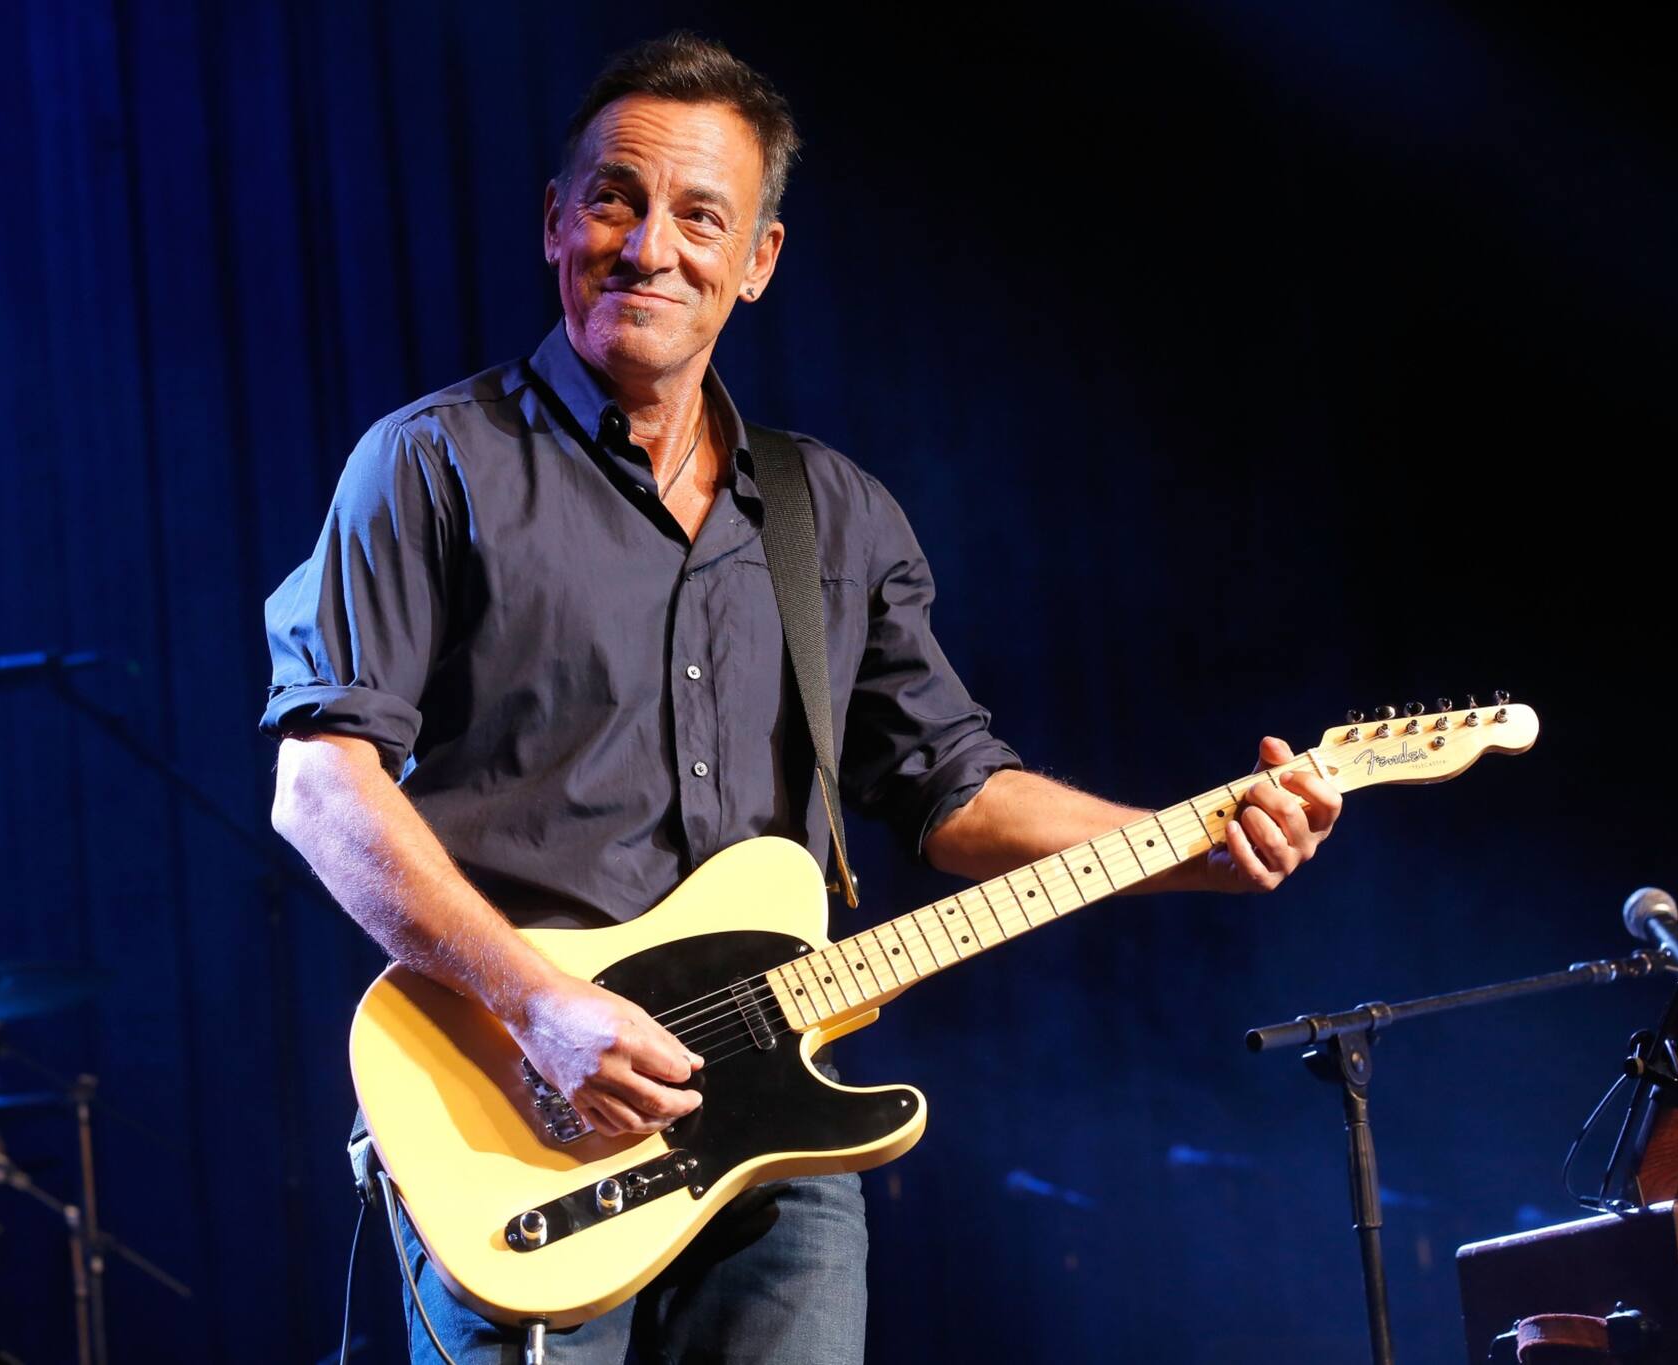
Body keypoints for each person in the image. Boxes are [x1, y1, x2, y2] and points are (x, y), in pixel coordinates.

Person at [262, 32, 1342, 1365]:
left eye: (700, 215)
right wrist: (541, 1004)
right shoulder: (431, 464)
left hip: (781, 1137)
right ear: (555, 222)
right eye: (614, 198)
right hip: (523, 1115)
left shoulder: (832, 512)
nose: (650, 245)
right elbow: (320, 782)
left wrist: (1192, 839)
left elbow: (953, 787)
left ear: (758, 261)